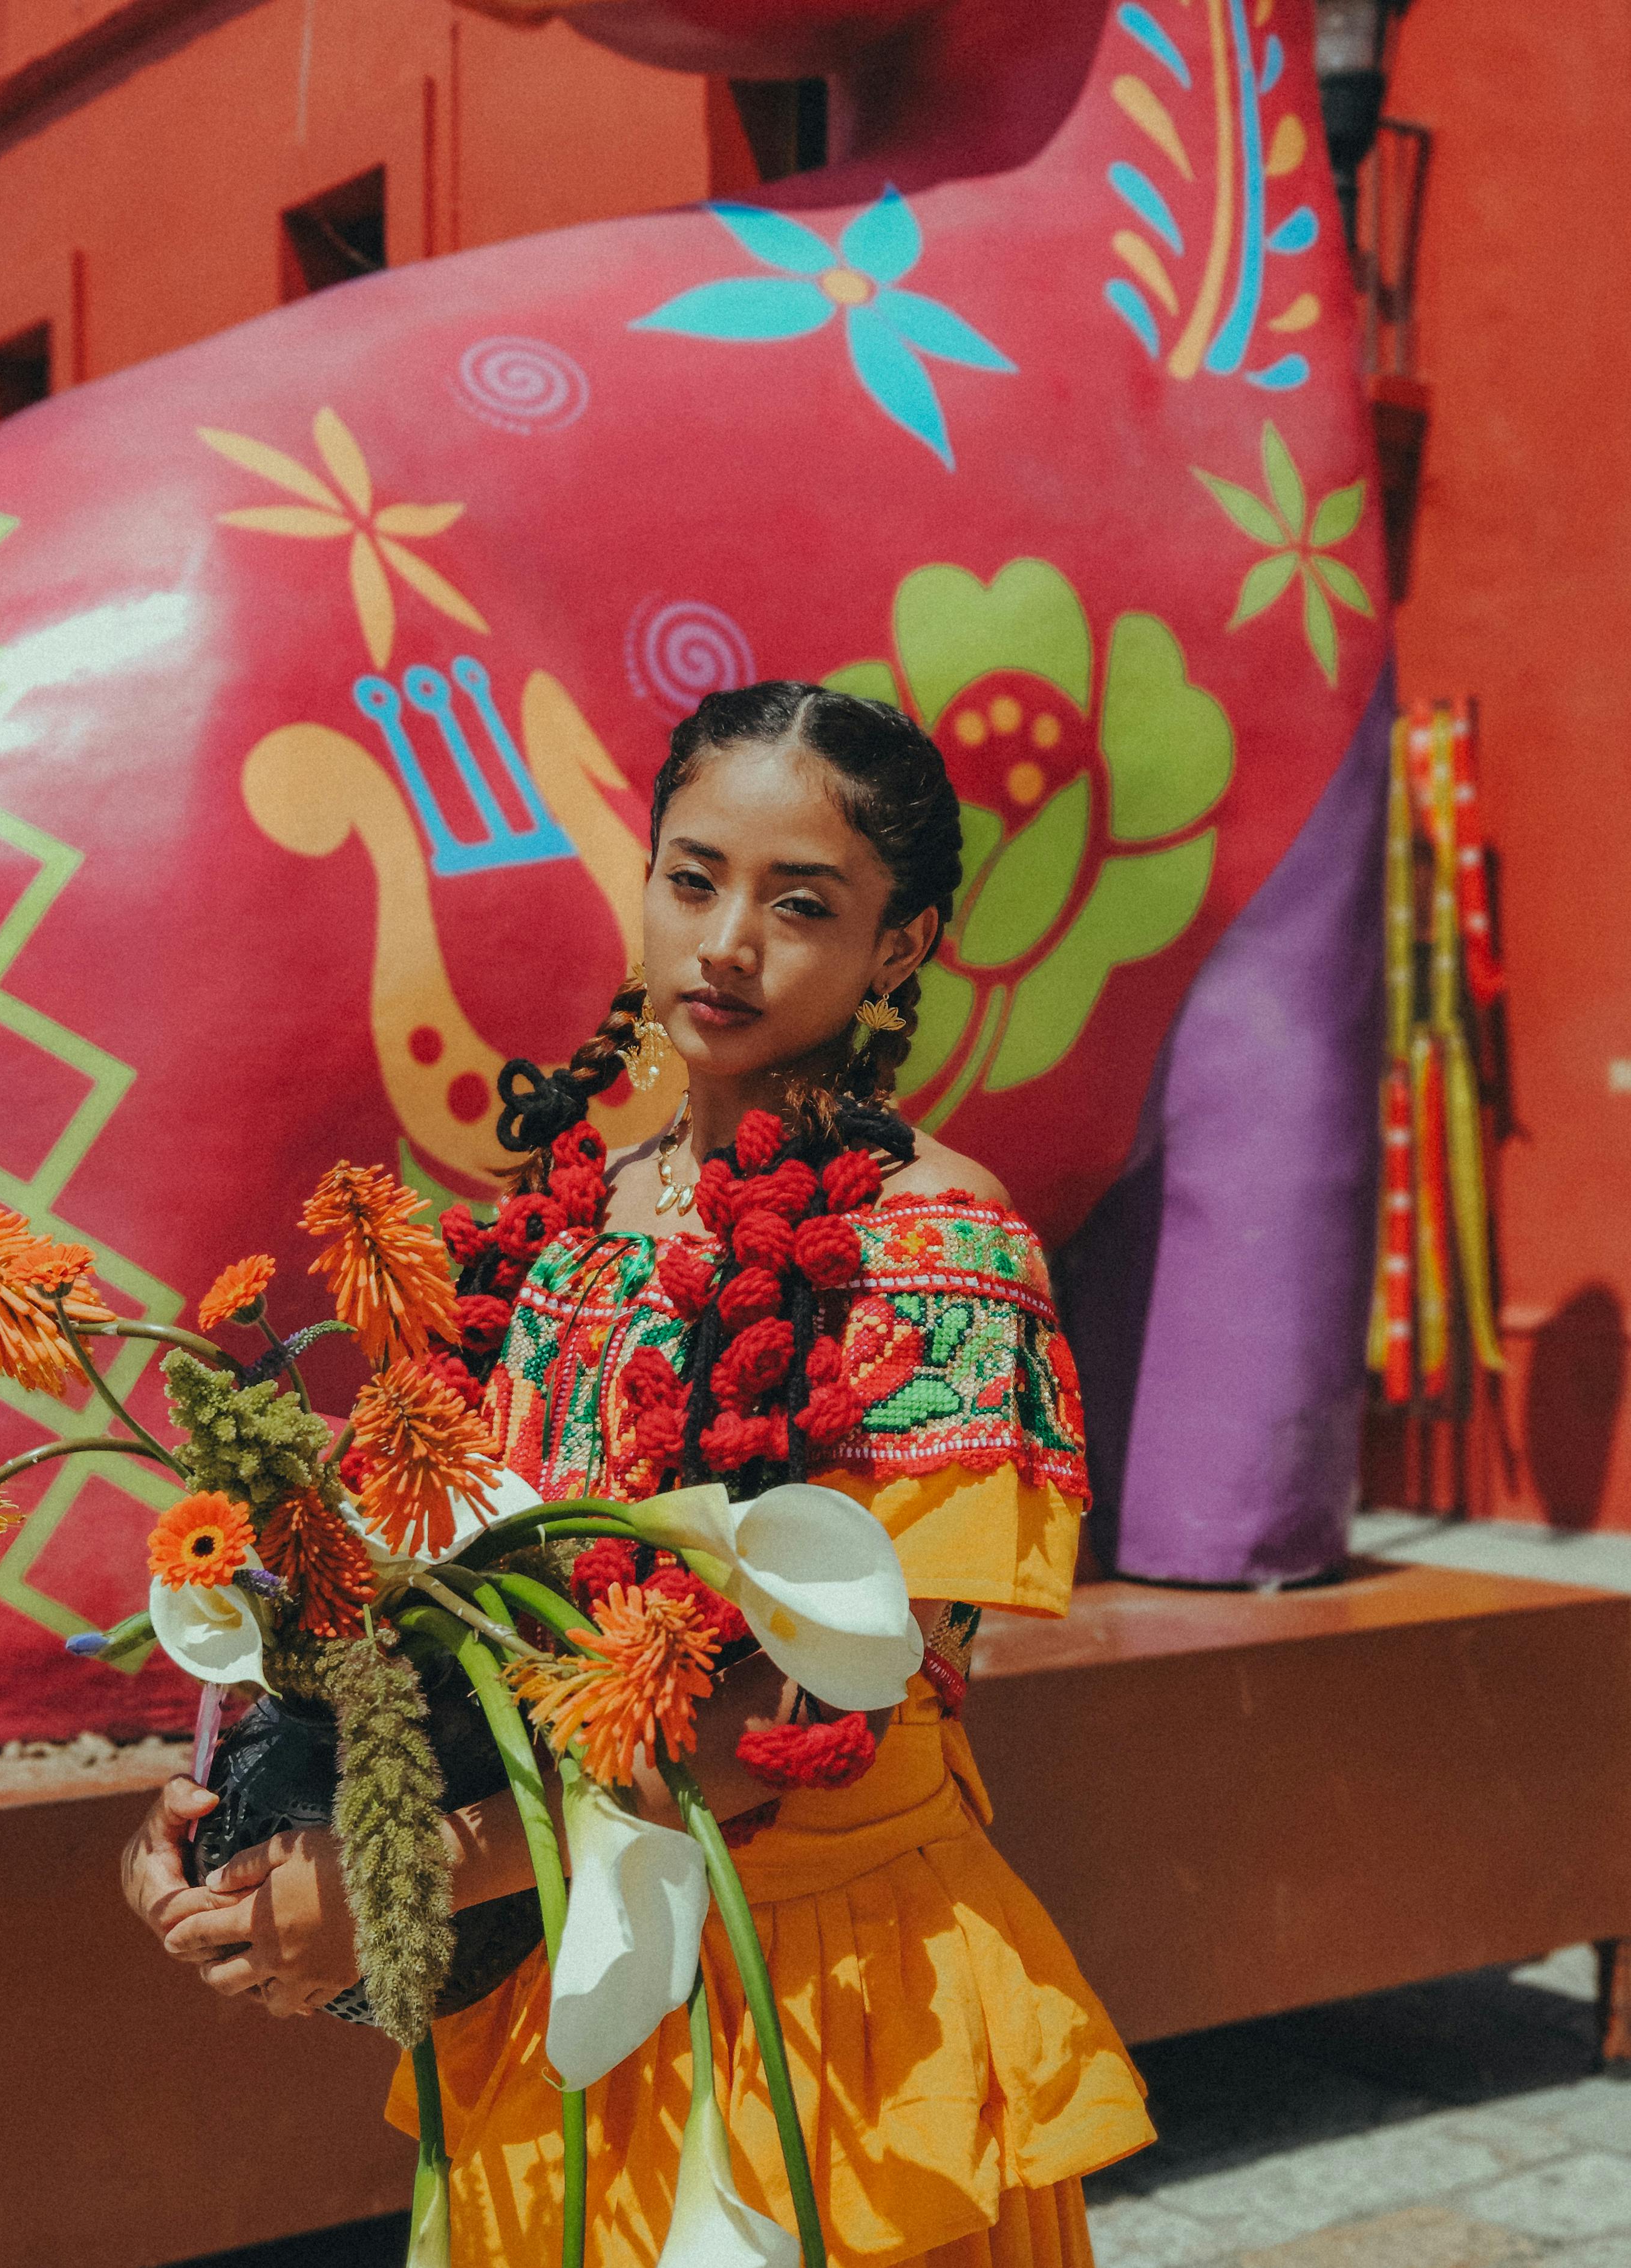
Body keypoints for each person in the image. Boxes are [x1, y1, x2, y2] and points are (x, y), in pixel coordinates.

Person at [123, 682, 1154, 2265]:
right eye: (692, 877)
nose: (724, 940)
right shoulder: (562, 1232)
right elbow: (441, 1616)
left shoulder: (939, 1244)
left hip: (813, 2006)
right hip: (555, 1988)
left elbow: (840, 1696)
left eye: (798, 902)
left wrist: (412, 1869)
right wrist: (250, 1814)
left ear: (900, 945)